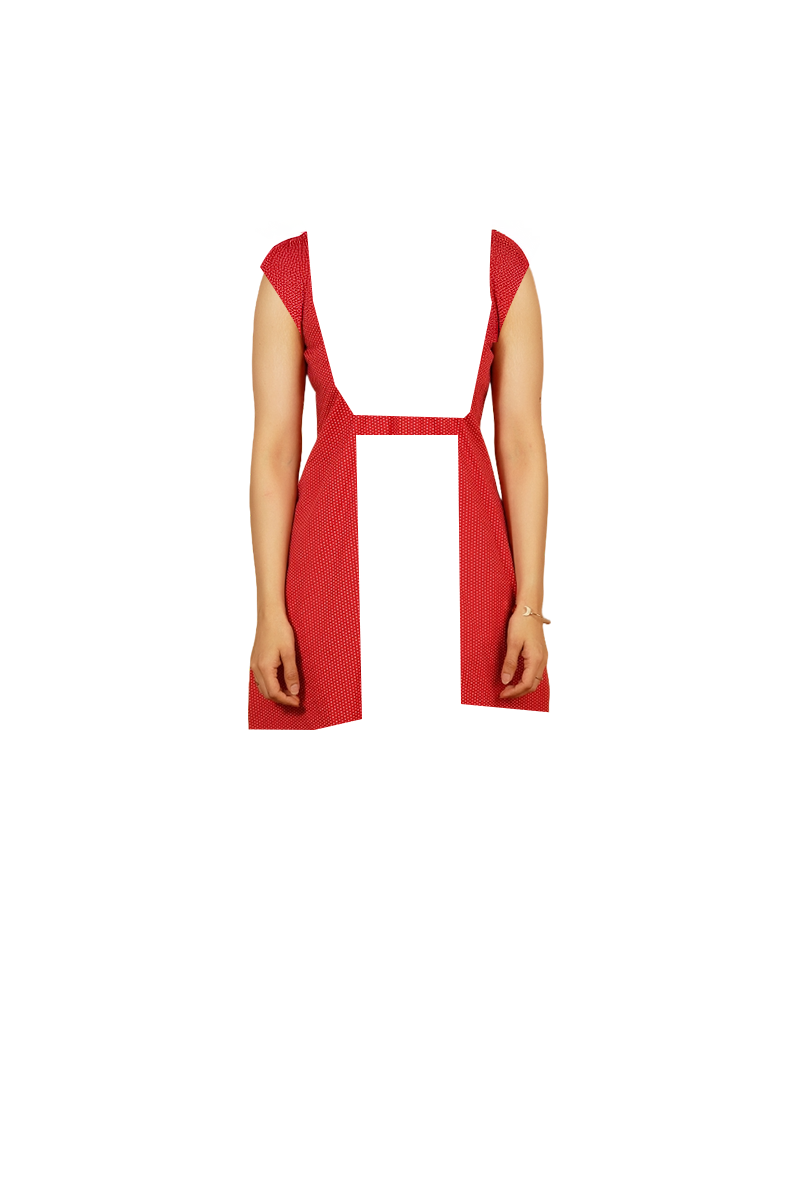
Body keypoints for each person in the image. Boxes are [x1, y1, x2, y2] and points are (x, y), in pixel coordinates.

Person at [248, 229, 550, 730]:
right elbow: (275, 453)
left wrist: (530, 607)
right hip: (331, 582)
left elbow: (522, 447)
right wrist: (269, 613)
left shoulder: (498, 262)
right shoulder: (294, 265)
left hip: (474, 583)